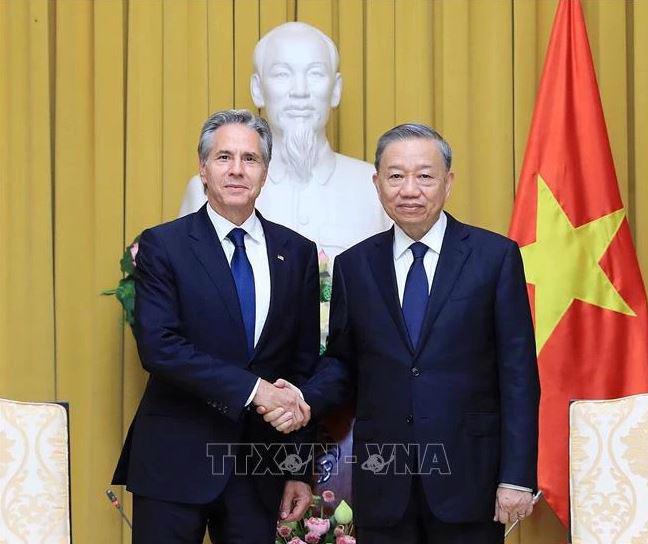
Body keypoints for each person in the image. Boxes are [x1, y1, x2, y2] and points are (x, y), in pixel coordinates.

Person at [260, 124, 540, 543]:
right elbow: (342, 364)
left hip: (469, 480)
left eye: (425, 176)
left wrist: (516, 477)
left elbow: (518, 375)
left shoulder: (494, 258)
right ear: (377, 184)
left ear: (449, 182)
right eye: (396, 176)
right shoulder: (354, 267)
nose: (410, 189)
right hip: (383, 483)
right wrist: (303, 399)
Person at [112, 110, 317, 544]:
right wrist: (255, 389)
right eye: (224, 157)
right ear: (203, 168)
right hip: (174, 462)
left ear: (265, 172)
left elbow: (300, 366)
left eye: (250, 158)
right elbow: (160, 347)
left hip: (257, 469)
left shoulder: (297, 253)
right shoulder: (163, 245)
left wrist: (299, 468)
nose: (237, 170)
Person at [178, 22, 390, 261]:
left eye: (315, 74)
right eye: (282, 74)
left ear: (335, 89)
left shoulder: (376, 187)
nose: (300, 91)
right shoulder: (205, 190)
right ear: (258, 89)